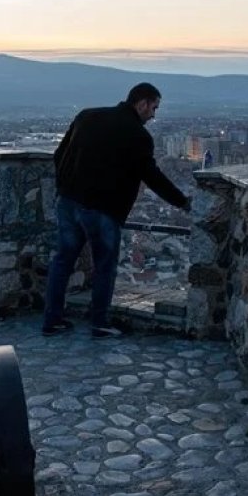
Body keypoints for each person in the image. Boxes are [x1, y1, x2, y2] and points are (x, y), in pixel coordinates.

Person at [42, 82, 191, 339]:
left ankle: (51, 320)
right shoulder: (138, 136)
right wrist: (182, 202)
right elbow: (151, 176)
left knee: (62, 260)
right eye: (153, 108)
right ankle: (99, 323)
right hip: (103, 209)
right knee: (104, 267)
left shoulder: (86, 116)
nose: (153, 115)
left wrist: (64, 187)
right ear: (142, 103)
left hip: (68, 202)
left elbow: (59, 155)